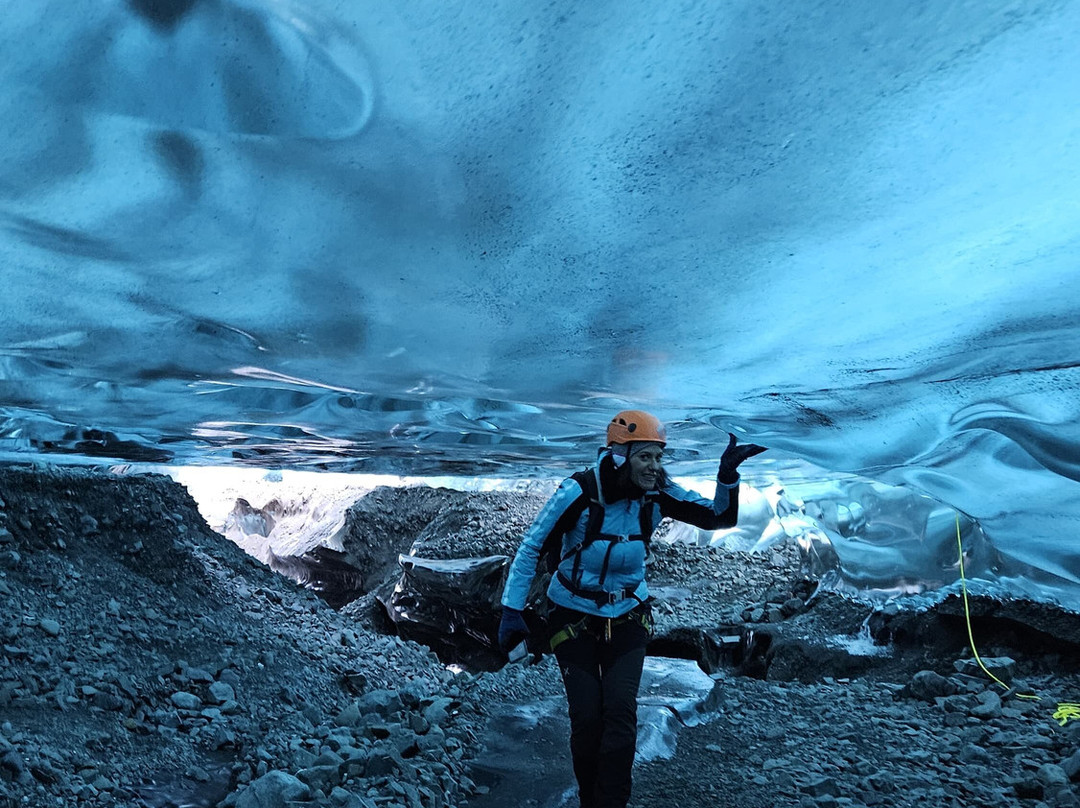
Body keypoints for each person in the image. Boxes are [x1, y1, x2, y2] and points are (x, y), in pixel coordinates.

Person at [497, 410, 766, 808]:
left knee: (621, 714)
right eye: (645, 457)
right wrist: (511, 610)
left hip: (628, 615)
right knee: (587, 719)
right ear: (620, 455)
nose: (655, 466)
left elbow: (718, 517)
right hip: (572, 615)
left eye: (659, 457)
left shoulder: (657, 494)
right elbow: (532, 546)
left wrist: (727, 476)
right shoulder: (579, 492)